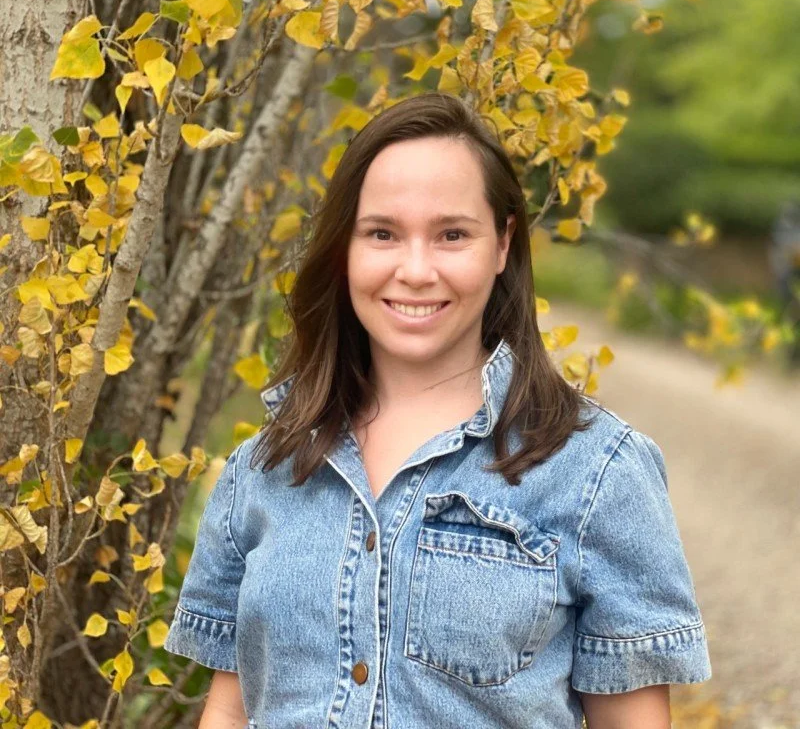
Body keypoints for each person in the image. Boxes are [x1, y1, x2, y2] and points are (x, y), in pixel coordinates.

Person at [164, 92, 712, 728]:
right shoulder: (262, 468)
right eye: (383, 234)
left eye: (452, 234)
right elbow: (228, 711)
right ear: (345, 248)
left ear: (503, 244)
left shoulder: (597, 471)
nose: (416, 270)